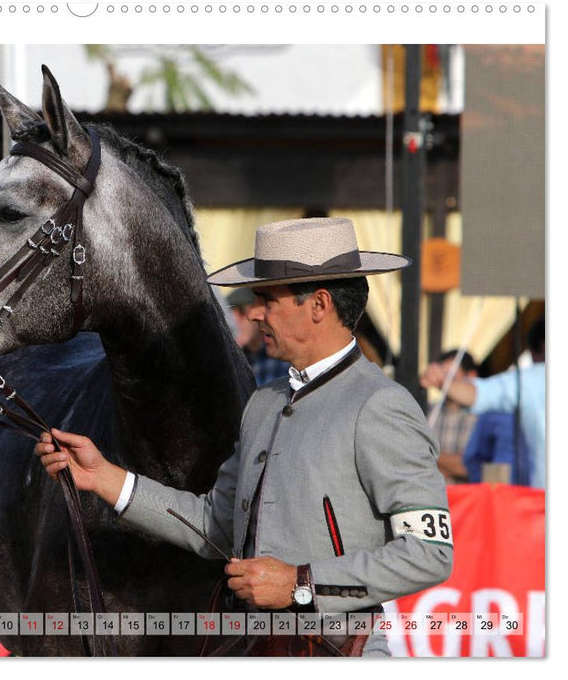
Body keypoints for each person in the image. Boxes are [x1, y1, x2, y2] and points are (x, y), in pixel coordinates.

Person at [36, 217, 453, 657]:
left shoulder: (381, 405)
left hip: (337, 649)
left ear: (319, 304)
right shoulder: (264, 403)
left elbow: (430, 554)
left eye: (267, 299)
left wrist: (300, 583)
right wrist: (105, 477)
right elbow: (215, 523)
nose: (254, 313)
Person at [421, 316, 545, 489]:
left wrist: (425, 455)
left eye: (451, 376)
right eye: (444, 375)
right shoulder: (428, 411)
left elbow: (474, 467)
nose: (449, 383)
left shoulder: (491, 414)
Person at [428, 349, 480, 485]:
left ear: (471, 376)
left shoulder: (482, 417)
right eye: (442, 377)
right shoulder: (428, 411)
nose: (444, 384)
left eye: (451, 377)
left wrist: (428, 457)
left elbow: (471, 466)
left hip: (466, 497)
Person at [226, 286, 289, 386]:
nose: (235, 320)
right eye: (230, 313)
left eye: (241, 312)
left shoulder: (282, 357)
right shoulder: (229, 359)